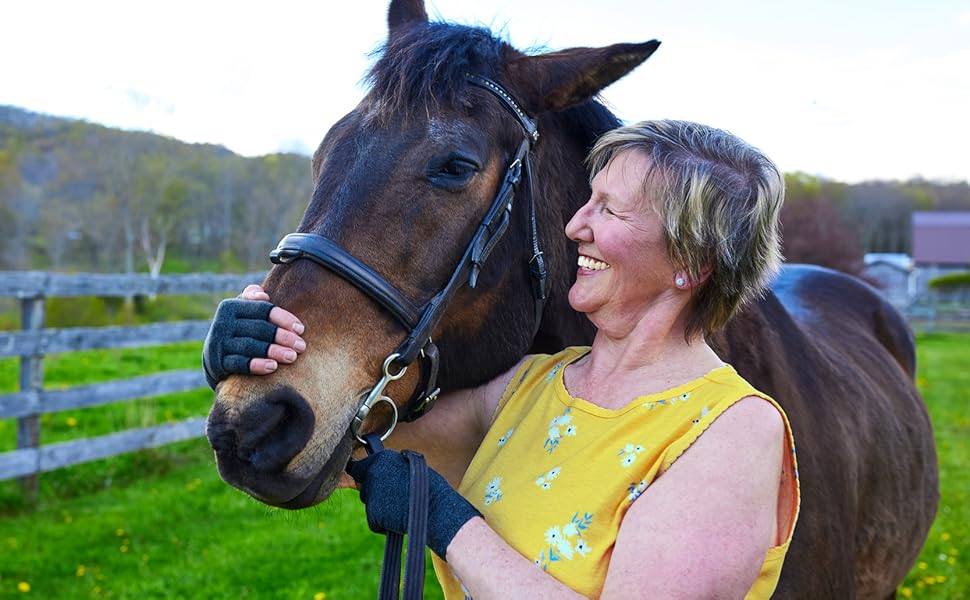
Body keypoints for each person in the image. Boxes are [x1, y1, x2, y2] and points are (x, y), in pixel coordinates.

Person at [204, 119, 799, 598]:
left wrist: (449, 525)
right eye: (587, 200)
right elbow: (337, 444)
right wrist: (252, 365)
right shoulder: (533, 385)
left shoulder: (731, 432)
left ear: (692, 264)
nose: (574, 226)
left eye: (610, 210)